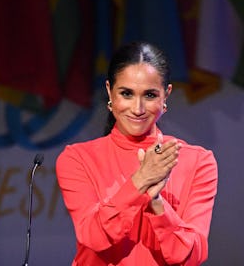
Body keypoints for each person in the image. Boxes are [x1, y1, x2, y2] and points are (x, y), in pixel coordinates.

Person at [55, 41, 218, 265]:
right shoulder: (77, 158)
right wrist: (141, 181)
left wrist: (157, 202)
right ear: (109, 91)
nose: (138, 108)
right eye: (127, 93)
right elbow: (93, 236)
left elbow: (191, 257)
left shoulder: (198, 161)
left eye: (150, 95)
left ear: (166, 95)